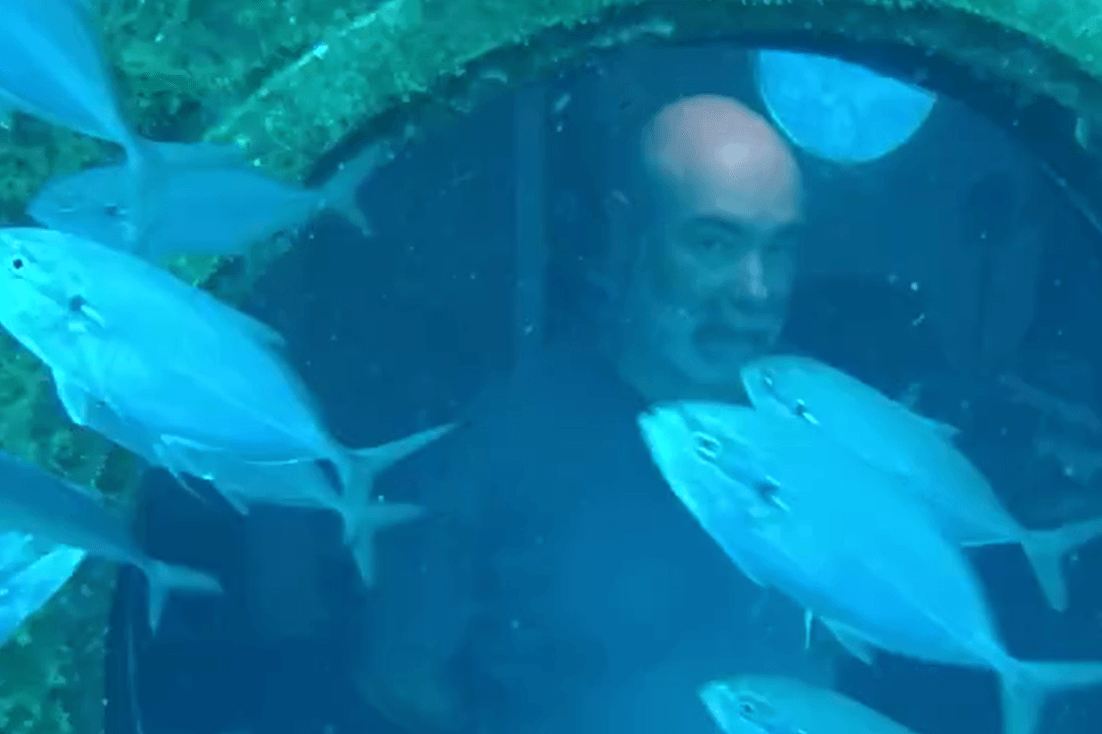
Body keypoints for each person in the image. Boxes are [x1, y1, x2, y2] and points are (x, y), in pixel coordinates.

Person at [356, 93, 829, 734]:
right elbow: (403, 680)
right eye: (714, 243)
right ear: (625, 232)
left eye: (780, 249)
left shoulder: (835, 429)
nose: (756, 290)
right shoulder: (504, 440)